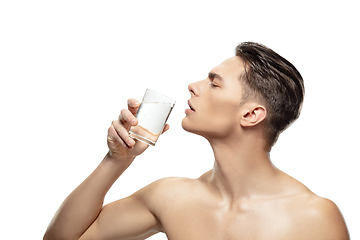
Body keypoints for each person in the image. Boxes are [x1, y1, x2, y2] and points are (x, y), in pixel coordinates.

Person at [44, 42, 349, 240]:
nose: (193, 86)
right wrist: (117, 159)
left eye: (214, 83)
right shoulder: (172, 197)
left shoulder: (313, 217)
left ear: (251, 114)